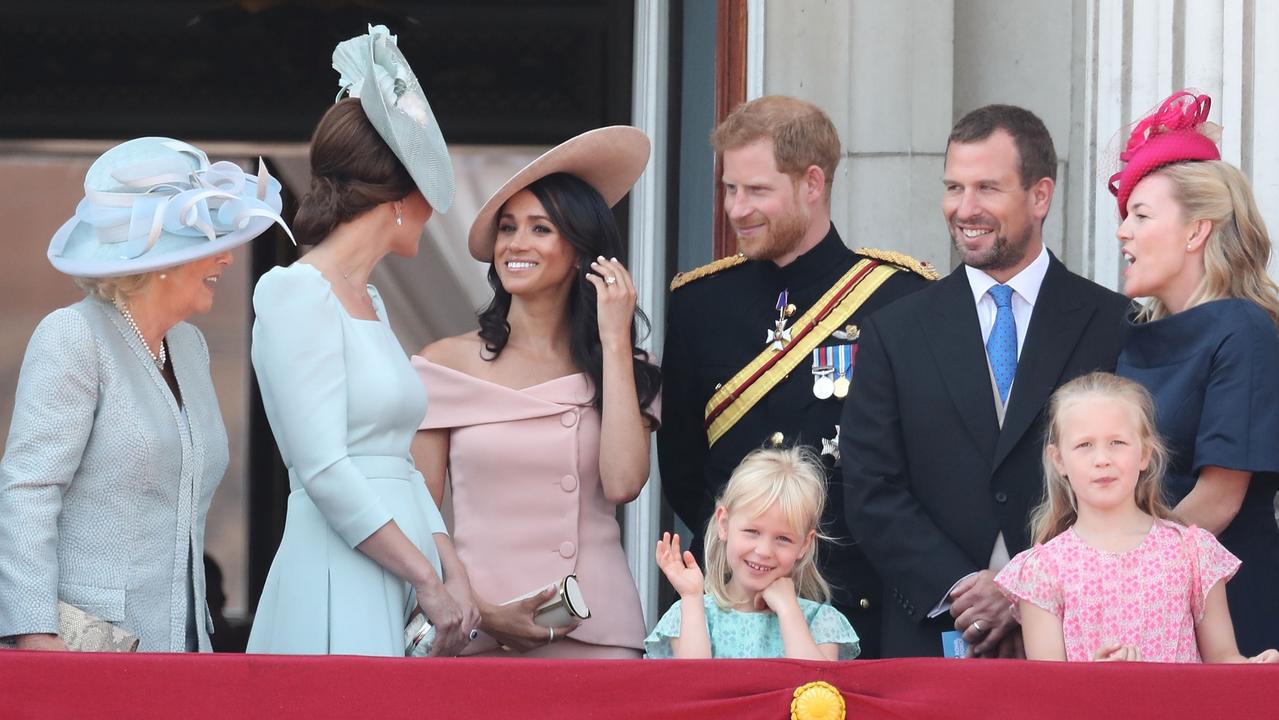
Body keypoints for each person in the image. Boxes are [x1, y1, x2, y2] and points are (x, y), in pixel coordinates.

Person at [841, 104, 1132, 658]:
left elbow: (1128, 482)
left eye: (987, 188)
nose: (964, 209)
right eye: (954, 187)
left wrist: (1026, 587)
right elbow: (872, 488)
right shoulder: (894, 331)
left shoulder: (1113, 322)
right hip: (933, 637)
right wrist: (958, 586)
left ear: (1040, 196)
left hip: (1082, 636)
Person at [657, 95, 934, 658]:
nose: (736, 209)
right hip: (732, 598)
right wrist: (753, 556)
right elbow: (684, 468)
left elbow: (920, 464)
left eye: (757, 191)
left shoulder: (899, 298)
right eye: (729, 189)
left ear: (813, 183)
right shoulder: (698, 301)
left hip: (853, 601)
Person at [0, 136, 290, 652]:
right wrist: (33, 634)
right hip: (87, 648)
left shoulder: (191, 347)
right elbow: (28, 492)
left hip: (183, 642)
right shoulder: (73, 336)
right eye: (207, 246)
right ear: (158, 260)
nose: (225, 260)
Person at [247, 26, 479, 657]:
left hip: (398, 564)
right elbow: (322, 466)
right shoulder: (293, 292)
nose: (433, 213)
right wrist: (425, 576)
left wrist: (448, 562)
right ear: (399, 199)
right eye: (427, 193)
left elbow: (399, 462)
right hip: (336, 565)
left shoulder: (369, 298)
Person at [411, 126, 661, 659]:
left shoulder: (628, 367)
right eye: (507, 228)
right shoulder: (443, 364)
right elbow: (418, 516)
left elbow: (623, 483)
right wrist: (481, 611)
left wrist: (614, 340)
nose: (516, 244)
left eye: (540, 228)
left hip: (597, 636)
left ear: (579, 252)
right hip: (474, 632)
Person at [1110, 90, 1279, 657]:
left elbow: (1219, 499)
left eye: (1141, 215)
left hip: (1224, 608)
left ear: (1196, 231)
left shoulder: (1244, 329)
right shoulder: (1131, 333)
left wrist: (1122, 578)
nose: (1122, 233)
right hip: (1147, 604)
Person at [995, 372, 1279, 663]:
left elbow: (1223, 659)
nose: (1102, 459)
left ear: (1145, 453)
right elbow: (1048, 688)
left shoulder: (1192, 552)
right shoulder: (1041, 570)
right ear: (1058, 461)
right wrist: (1095, 681)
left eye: (1117, 442)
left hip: (1179, 710)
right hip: (1090, 710)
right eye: (1084, 445)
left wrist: (1254, 667)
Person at [645, 446, 859, 660]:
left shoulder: (821, 622)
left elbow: (818, 687)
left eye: (783, 538)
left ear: (804, 544)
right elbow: (694, 684)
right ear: (724, 524)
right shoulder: (690, 613)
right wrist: (692, 598)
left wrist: (788, 610)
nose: (764, 551)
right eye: (752, 531)